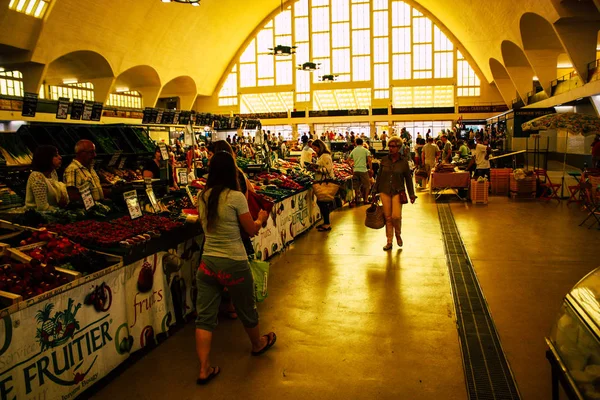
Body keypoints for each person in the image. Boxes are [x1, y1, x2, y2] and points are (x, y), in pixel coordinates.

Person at [195, 152, 275, 385]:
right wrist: (260, 218)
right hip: (234, 262)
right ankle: (258, 344)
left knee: (205, 318)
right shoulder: (236, 197)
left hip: (208, 263)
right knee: (246, 307)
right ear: (232, 171)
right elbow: (250, 230)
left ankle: (203, 368)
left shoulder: (203, 196)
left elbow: (205, 227)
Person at [374, 137, 416, 251]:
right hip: (384, 190)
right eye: (390, 146)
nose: (391, 149)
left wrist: (412, 194)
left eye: (393, 146)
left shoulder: (404, 162)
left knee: (396, 216)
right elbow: (379, 177)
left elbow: (408, 179)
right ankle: (389, 241)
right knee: (388, 217)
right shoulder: (384, 160)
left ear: (399, 147)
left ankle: (398, 234)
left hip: (398, 191)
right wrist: (374, 191)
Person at [26, 145, 68, 211]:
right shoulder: (37, 177)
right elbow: (42, 207)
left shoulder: (53, 173)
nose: (60, 157)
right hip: (38, 217)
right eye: (56, 156)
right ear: (46, 158)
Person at [311, 139, 335, 232]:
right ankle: (325, 222)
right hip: (322, 181)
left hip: (325, 182)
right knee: (321, 203)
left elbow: (328, 169)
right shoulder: (322, 156)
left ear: (320, 147)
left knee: (322, 203)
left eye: (315, 148)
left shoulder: (325, 156)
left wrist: (317, 170)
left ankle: (327, 224)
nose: (314, 150)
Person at [348, 138, 373, 206]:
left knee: (356, 186)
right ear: (362, 143)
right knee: (367, 185)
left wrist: (351, 167)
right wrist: (371, 169)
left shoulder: (354, 150)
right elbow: (369, 160)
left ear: (356, 143)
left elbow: (348, 160)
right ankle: (366, 200)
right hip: (363, 170)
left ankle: (356, 200)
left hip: (355, 170)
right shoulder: (366, 150)